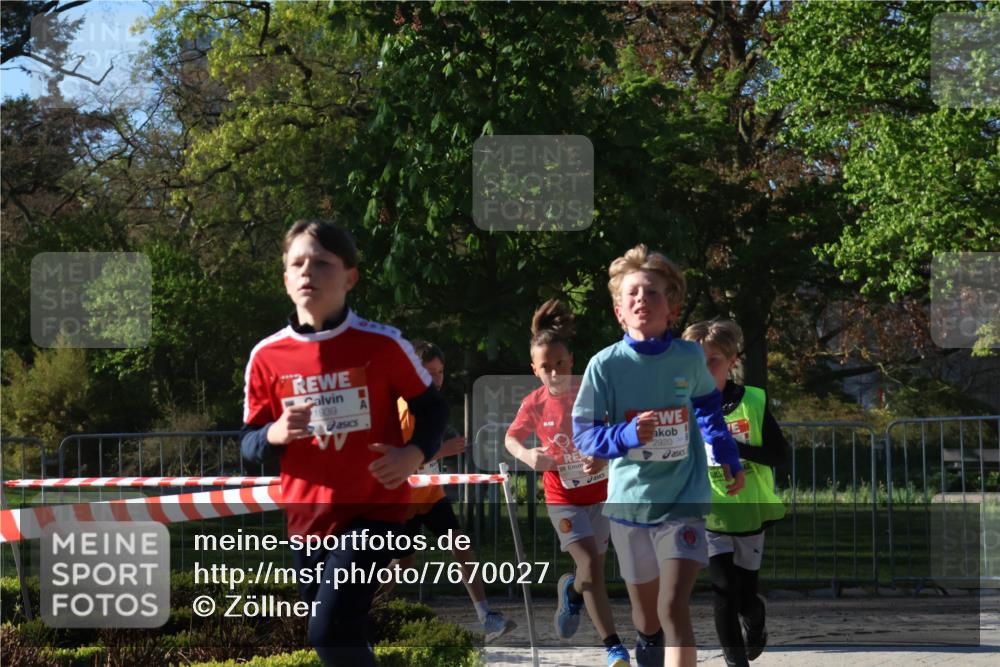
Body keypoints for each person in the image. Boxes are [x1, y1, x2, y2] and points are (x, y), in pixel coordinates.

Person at [240, 219, 448, 666]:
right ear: (285, 278)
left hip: (374, 512)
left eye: (321, 263)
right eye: (297, 263)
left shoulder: (383, 343)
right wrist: (275, 433)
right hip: (307, 521)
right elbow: (249, 444)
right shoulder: (266, 356)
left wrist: (413, 453)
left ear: (350, 277)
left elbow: (433, 409)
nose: (307, 272)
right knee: (342, 636)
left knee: (328, 631)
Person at [572, 244, 746, 667]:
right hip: (630, 502)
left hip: (683, 499)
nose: (642, 300)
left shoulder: (688, 357)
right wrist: (627, 434)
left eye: (652, 293)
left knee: (673, 606)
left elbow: (707, 407)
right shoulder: (605, 365)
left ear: (672, 308)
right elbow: (584, 435)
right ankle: (647, 640)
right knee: (648, 617)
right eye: (632, 293)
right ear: (619, 311)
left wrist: (726, 451)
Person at [505, 299, 631, 667]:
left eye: (560, 364)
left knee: (591, 574)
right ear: (535, 370)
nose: (554, 372)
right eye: (546, 367)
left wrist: (604, 453)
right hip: (563, 498)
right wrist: (527, 455)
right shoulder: (534, 403)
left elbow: (617, 430)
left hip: (601, 496)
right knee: (589, 564)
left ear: (571, 361)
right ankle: (614, 647)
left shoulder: (592, 393)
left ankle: (571, 594)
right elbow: (511, 438)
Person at [390, 340, 516, 642]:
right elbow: (401, 457)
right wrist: (442, 450)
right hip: (402, 497)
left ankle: (486, 615)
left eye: (440, 372)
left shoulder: (432, 406)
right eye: (429, 372)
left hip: (430, 493)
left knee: (460, 544)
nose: (437, 379)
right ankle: (362, 613)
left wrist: (441, 452)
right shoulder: (404, 407)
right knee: (402, 563)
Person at [681, 318, 787, 667]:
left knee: (744, 597)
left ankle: (756, 620)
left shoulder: (752, 402)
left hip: (749, 509)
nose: (703, 369)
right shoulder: (682, 406)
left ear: (731, 361)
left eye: (712, 360)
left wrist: (733, 447)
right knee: (723, 591)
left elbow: (779, 455)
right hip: (709, 510)